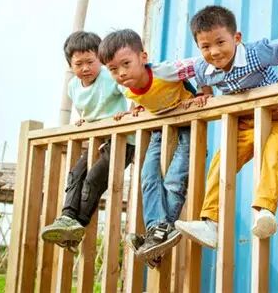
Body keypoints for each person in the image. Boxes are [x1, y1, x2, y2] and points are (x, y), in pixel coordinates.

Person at [175, 5, 278, 248]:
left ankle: (265, 212)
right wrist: (205, 95)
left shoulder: (255, 53)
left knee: (275, 156)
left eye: (220, 42)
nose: (214, 52)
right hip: (242, 123)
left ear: (236, 38)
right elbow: (202, 80)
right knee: (220, 163)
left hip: (275, 117)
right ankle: (211, 224)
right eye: (205, 46)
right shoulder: (203, 68)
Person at [100, 29, 196, 265]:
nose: (121, 73)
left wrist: (204, 92)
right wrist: (133, 110)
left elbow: (199, 66)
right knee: (147, 176)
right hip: (158, 130)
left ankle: (157, 234)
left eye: (126, 64)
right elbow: (142, 98)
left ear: (143, 57)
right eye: (113, 69)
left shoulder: (165, 71)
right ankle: (157, 233)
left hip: (187, 126)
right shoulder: (127, 88)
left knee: (174, 180)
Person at [40, 31, 134, 252]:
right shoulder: (73, 86)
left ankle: (77, 226)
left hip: (122, 140)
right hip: (97, 140)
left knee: (93, 179)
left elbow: (130, 92)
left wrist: (130, 112)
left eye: (90, 62)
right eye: (78, 64)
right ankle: (67, 217)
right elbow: (85, 109)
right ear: (70, 65)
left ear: (101, 59)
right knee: (76, 174)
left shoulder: (109, 76)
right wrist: (83, 119)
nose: (85, 68)